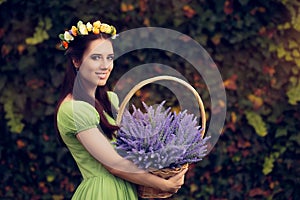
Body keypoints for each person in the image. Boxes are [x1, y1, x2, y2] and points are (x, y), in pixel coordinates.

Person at [55, 19, 188, 199]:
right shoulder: (73, 109)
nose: (105, 66)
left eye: (109, 58)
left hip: (126, 190)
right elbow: (113, 164)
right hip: (102, 192)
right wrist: (163, 184)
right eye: (96, 57)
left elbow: (129, 149)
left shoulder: (109, 100)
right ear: (76, 61)